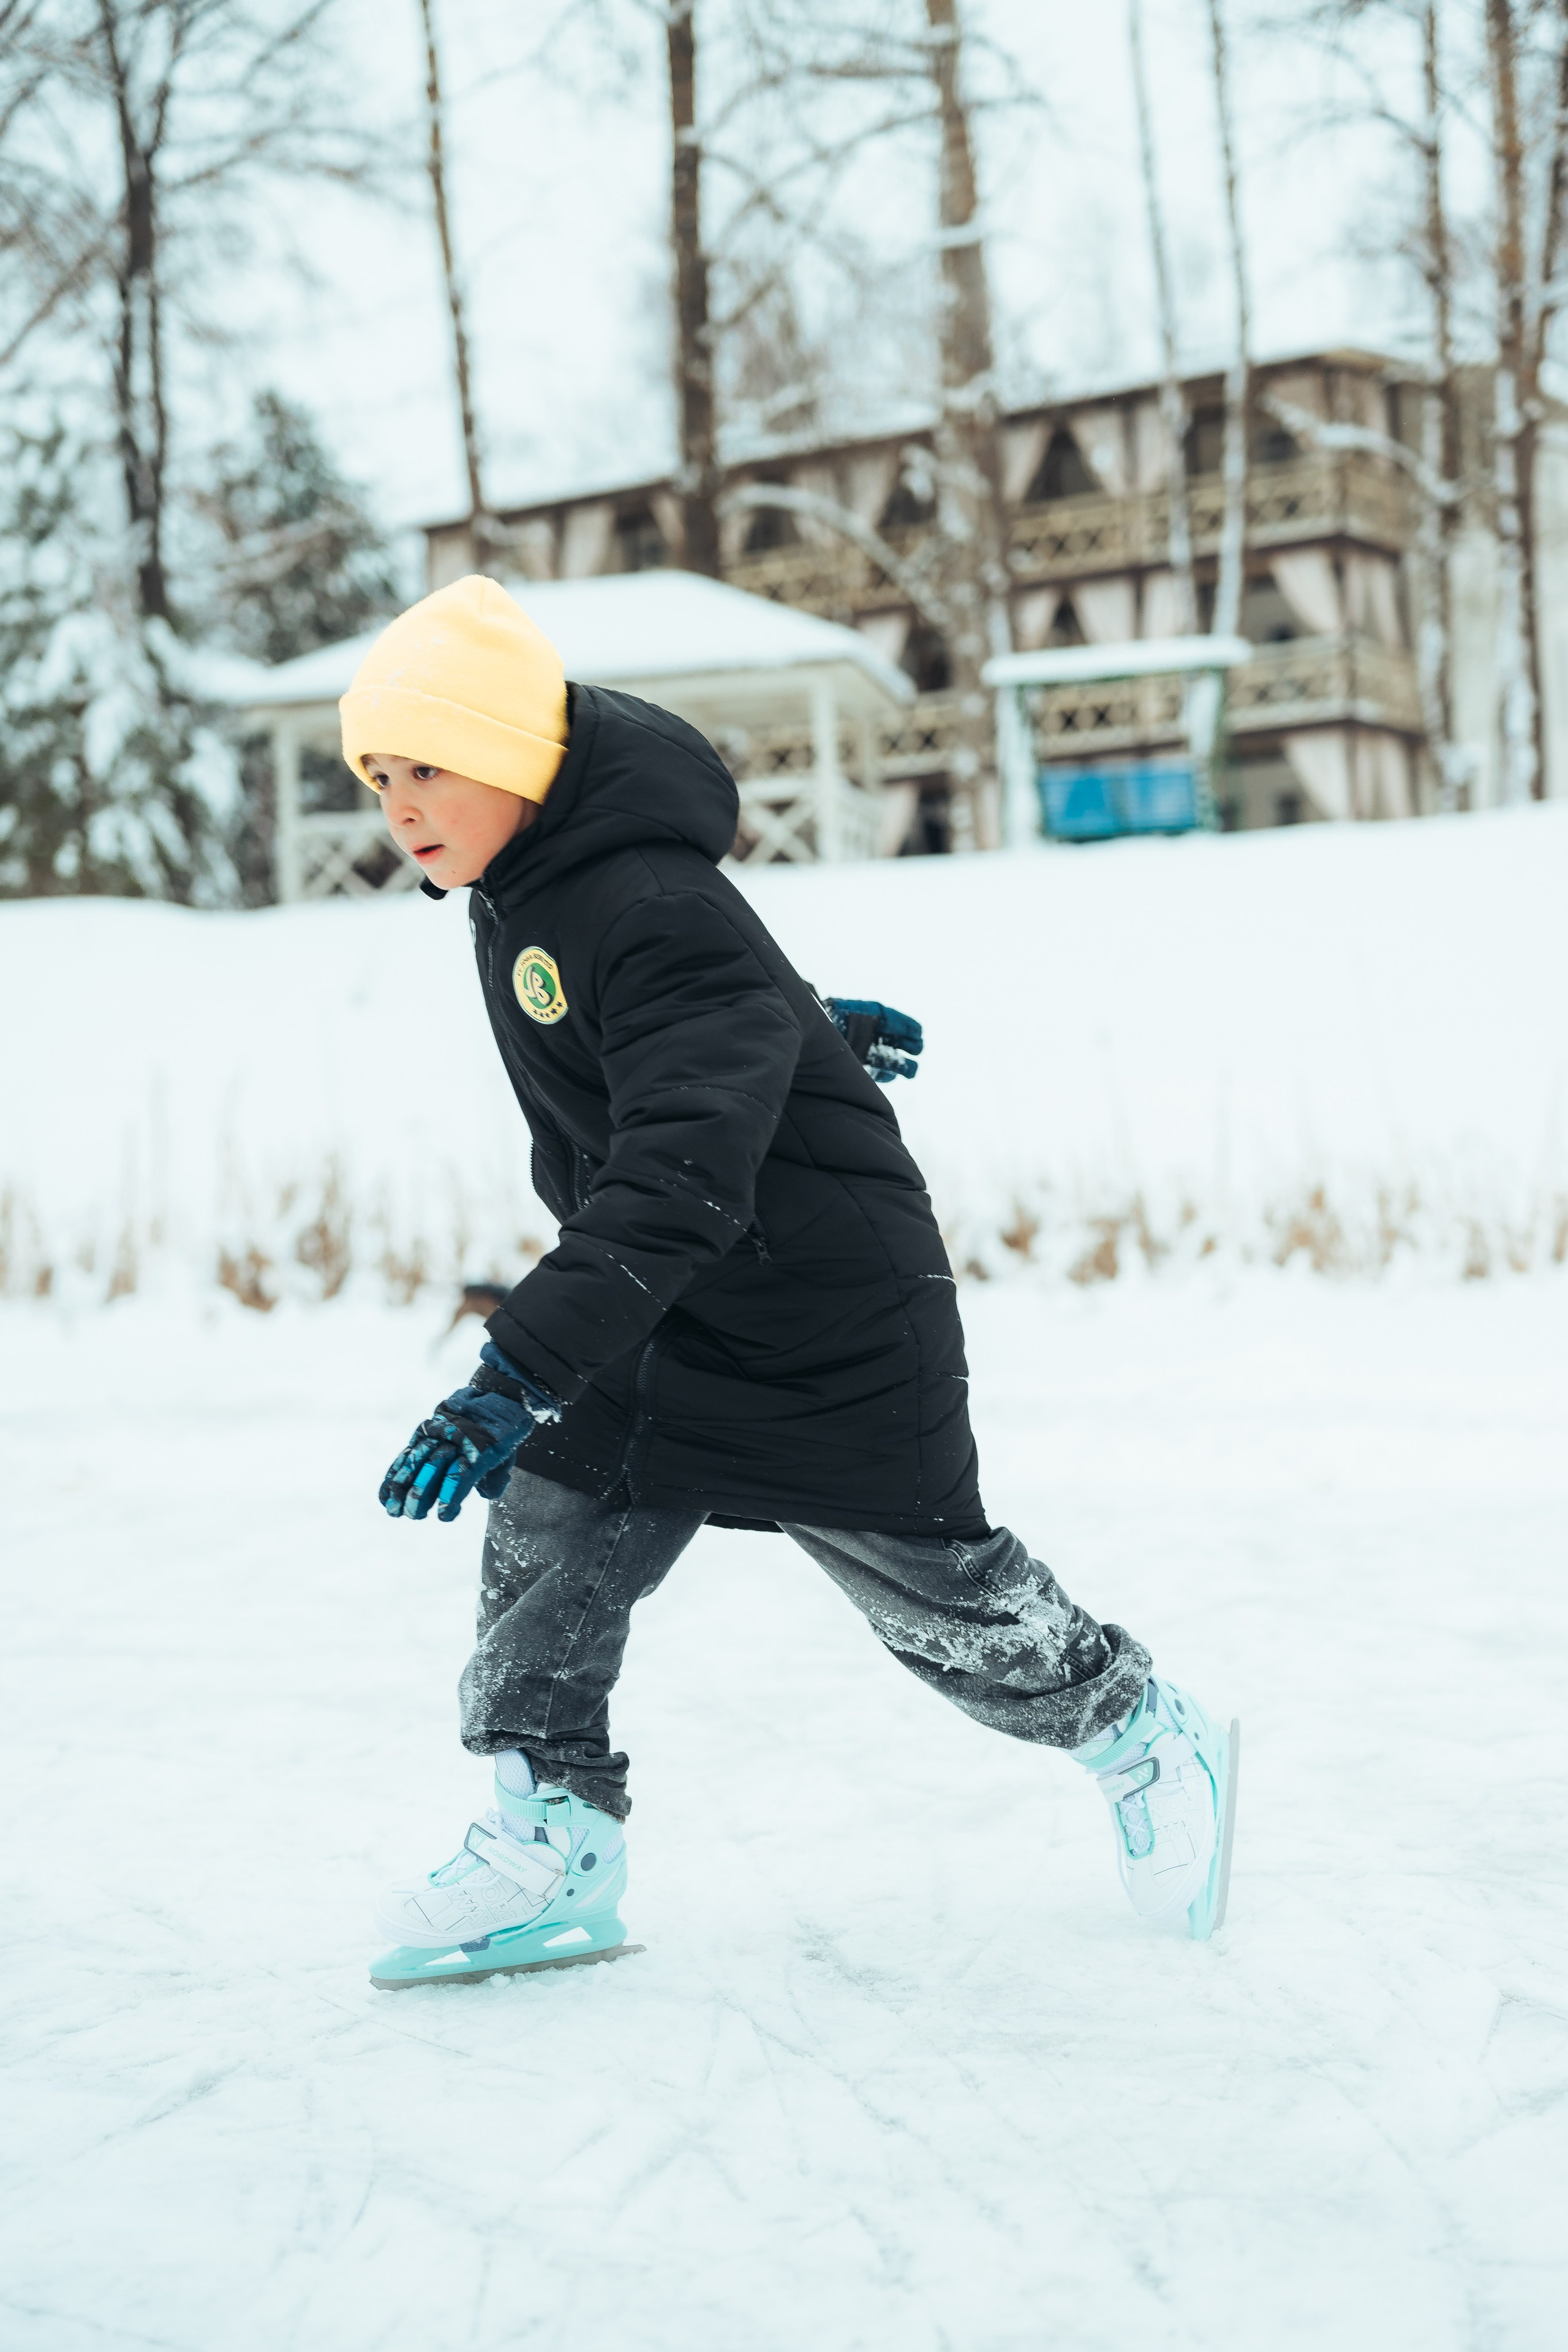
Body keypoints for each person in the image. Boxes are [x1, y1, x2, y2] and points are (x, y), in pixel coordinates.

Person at [342, 576, 1238, 1991]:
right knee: (551, 1529)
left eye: (427, 768)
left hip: (818, 1307)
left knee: (935, 1598)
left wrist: (513, 1373)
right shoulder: (527, 882)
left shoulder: (635, 895)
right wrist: (797, 1029)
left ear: (512, 756)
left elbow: (674, 1165)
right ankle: (553, 1831)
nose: (399, 806)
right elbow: (680, 1036)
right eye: (379, 777)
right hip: (667, 1294)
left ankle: (1134, 1728)